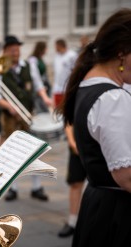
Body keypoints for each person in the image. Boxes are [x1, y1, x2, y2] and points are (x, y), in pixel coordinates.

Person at [58, 8, 131, 247]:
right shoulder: (111, 98)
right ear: (122, 53)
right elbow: (127, 177)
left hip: (100, 204)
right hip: (118, 213)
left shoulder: (89, 84)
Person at [0, 35, 51, 202]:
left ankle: (36, 187)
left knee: (35, 150)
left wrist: (45, 98)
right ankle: (12, 188)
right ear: (5, 51)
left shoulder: (29, 65)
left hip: (29, 113)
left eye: (17, 48)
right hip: (10, 117)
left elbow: (38, 85)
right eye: (12, 49)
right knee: (12, 153)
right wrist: (8, 106)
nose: (16, 52)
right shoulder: (0, 68)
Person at [57, 37, 88, 238]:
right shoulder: (75, 87)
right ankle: (73, 221)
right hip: (77, 141)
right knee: (76, 183)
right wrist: (71, 141)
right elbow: (67, 118)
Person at [52, 39, 78, 107]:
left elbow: (76, 70)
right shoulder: (56, 56)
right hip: (57, 88)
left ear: (60, 46)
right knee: (58, 108)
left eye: (56, 46)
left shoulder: (72, 55)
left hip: (67, 87)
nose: (55, 48)